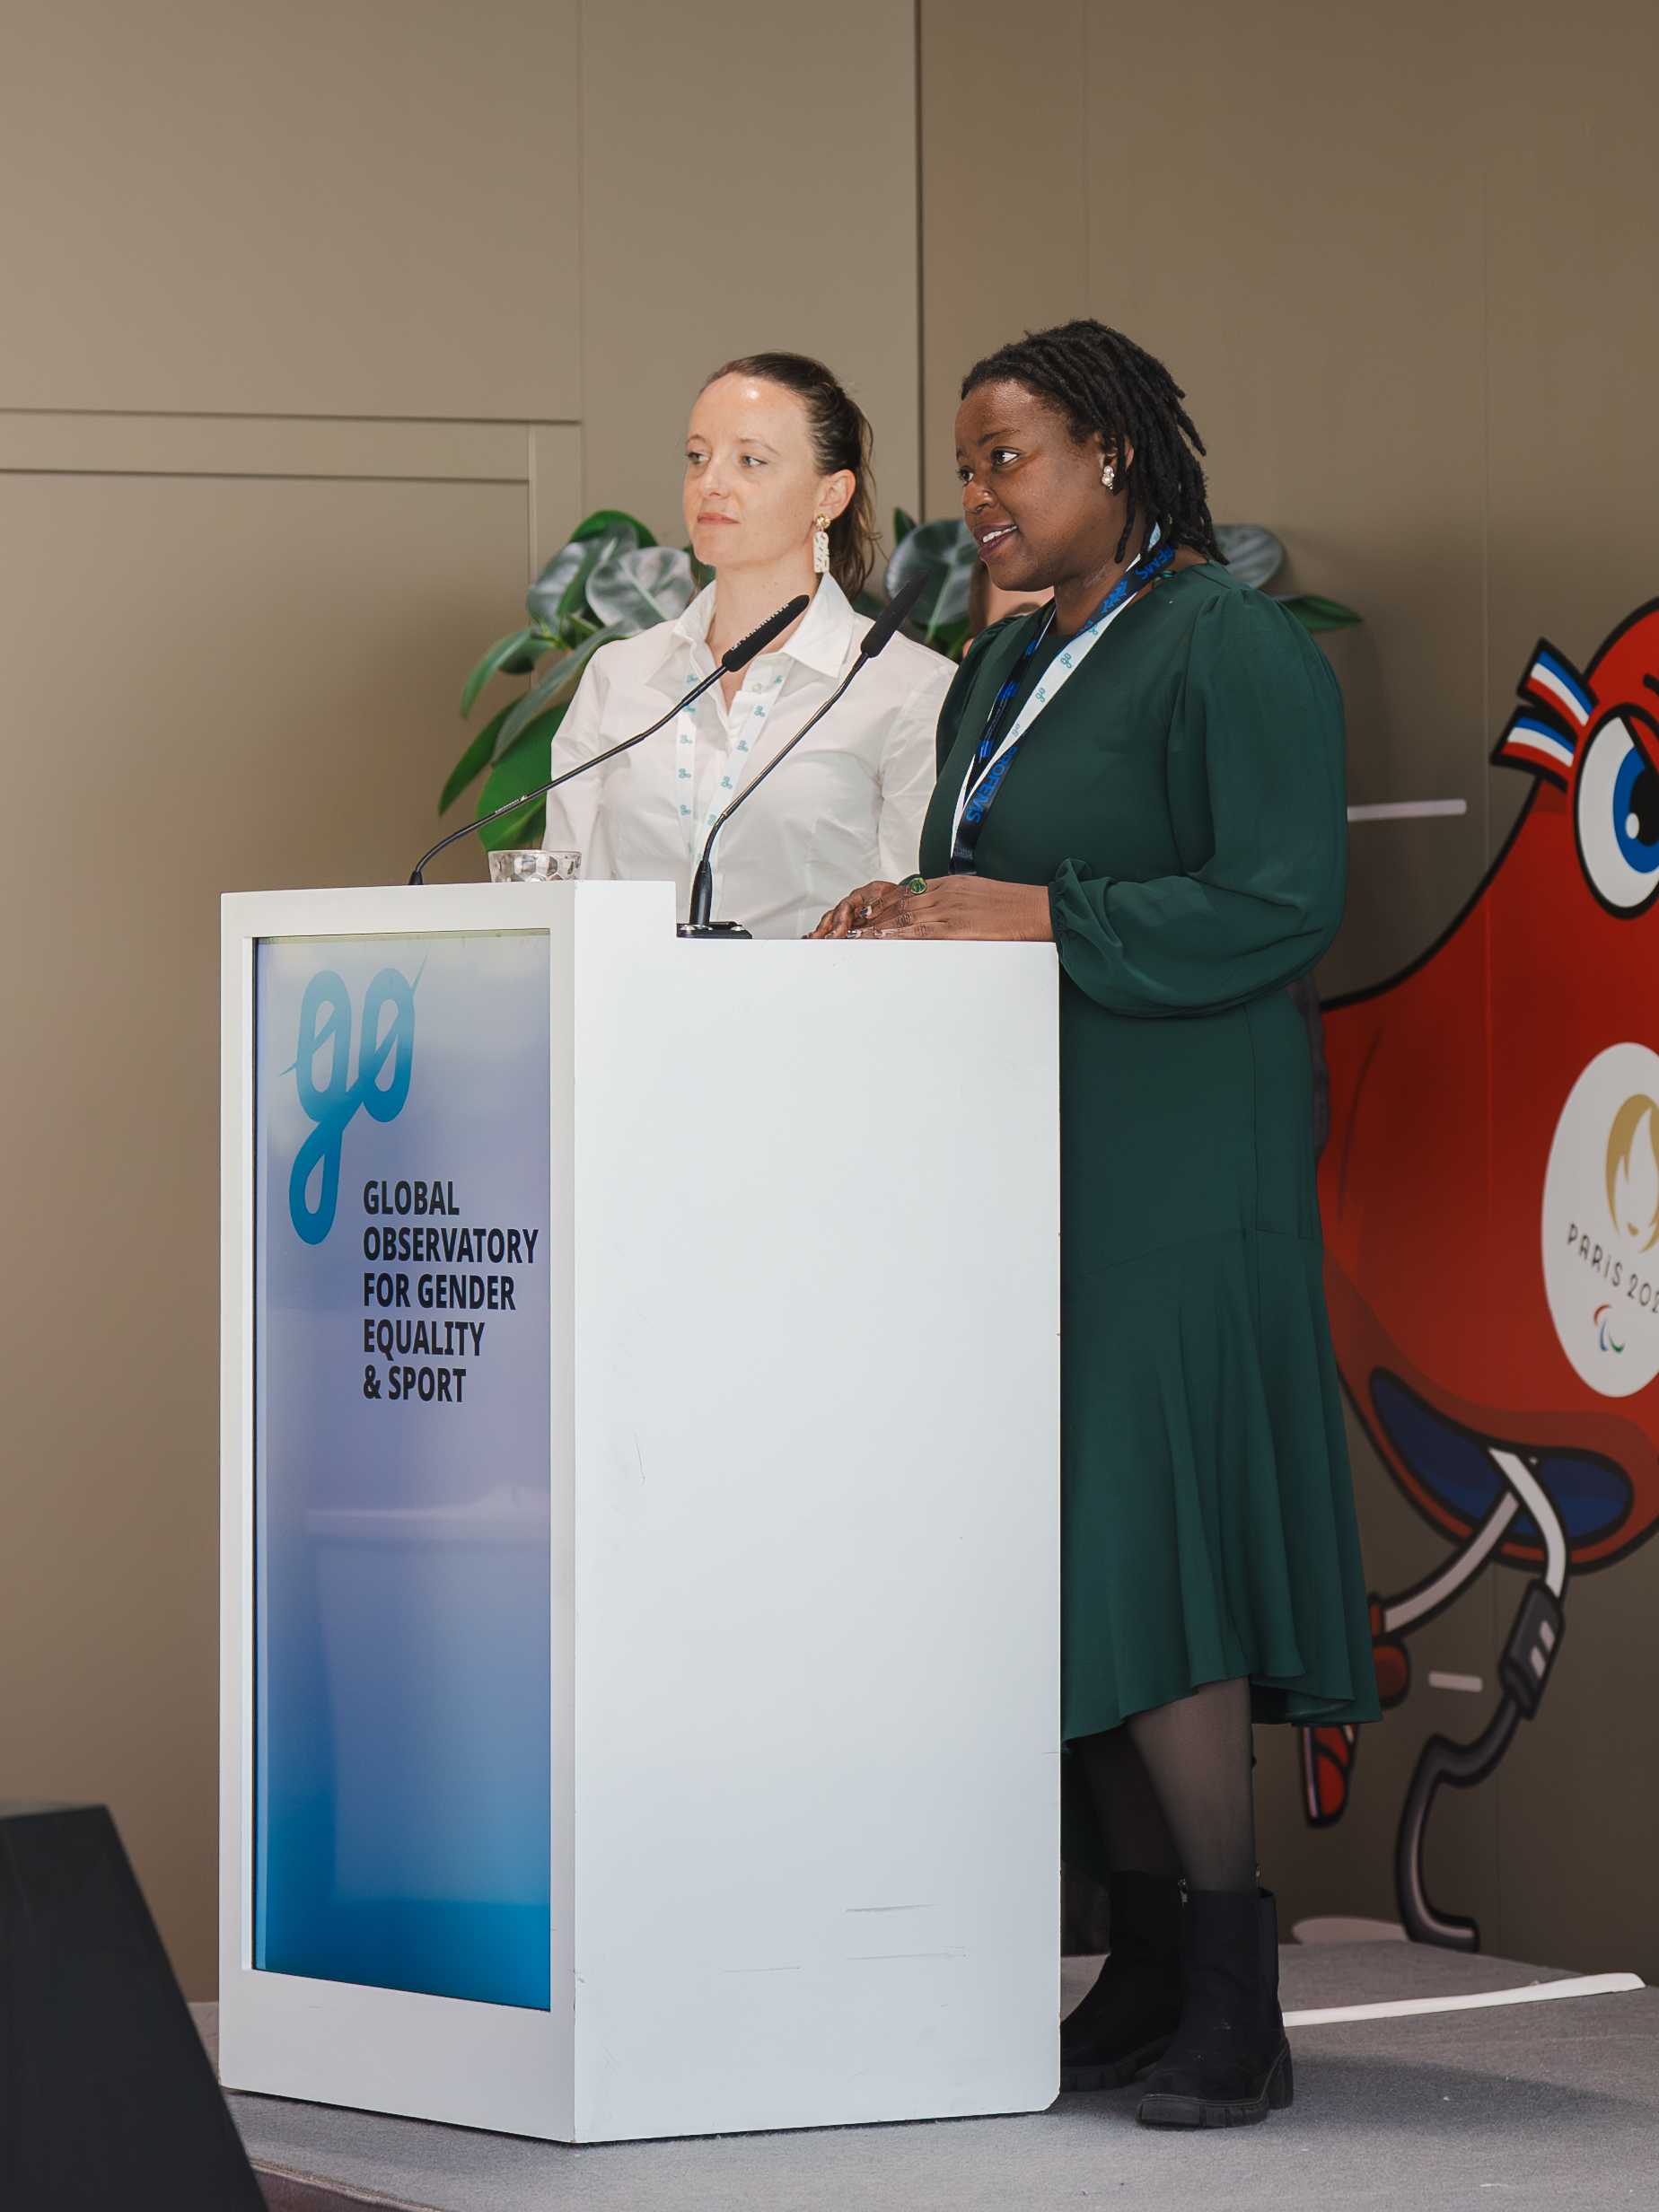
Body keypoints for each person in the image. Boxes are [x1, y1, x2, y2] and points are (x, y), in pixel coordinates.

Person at [814, 320, 1378, 2129]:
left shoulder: (1229, 643)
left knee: (1161, 1537)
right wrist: (913, 908)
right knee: (1077, 1555)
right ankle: (1137, 1960)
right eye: (965, 467)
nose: (977, 497)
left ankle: (1232, 1983)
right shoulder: (1000, 663)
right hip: (1024, 1162)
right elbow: (998, 878)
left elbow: (1280, 899)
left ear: (1115, 455)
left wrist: (1038, 915)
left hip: (1180, 1164)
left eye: (1010, 458)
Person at [541, 354, 952, 938]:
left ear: (831, 496)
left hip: (818, 997)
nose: (710, 483)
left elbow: (911, 925)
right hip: (627, 995)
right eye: (697, 457)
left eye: (750, 460)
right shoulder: (619, 674)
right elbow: (564, 901)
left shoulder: (910, 689)